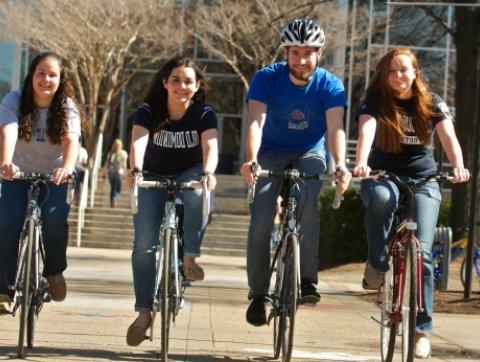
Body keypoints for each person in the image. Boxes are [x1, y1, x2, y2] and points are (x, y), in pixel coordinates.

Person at [353, 48, 470, 359]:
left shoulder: (431, 102)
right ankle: (377, 263)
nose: (397, 77)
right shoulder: (376, 100)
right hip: (382, 174)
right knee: (381, 198)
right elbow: (367, 129)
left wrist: (458, 165)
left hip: (423, 179)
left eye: (403, 70)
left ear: (415, 72)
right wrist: (361, 162)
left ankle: (421, 329)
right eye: (391, 71)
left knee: (425, 254)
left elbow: (448, 136)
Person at [240, 18, 351, 327]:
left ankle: (307, 281)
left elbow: (335, 128)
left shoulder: (330, 84)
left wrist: (340, 163)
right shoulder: (266, 78)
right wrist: (251, 160)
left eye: (308, 53)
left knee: (307, 209)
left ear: (319, 53)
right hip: (270, 153)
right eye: (295, 53)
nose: (302, 60)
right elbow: (255, 123)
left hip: (310, 153)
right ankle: (259, 294)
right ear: (286, 52)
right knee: (261, 219)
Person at [125, 56, 218, 346]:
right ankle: (143, 314)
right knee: (143, 245)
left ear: (197, 85)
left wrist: (208, 172)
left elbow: (211, 145)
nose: (182, 86)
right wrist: (135, 169)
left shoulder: (203, 113)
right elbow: (138, 141)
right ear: (165, 83)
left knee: (199, 192)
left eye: (188, 81)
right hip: (151, 173)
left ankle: (189, 256)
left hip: (189, 171)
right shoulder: (148, 110)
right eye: (175, 79)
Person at [0, 52, 84, 313]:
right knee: (8, 219)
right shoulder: (15, 99)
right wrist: (6, 163)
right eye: (40, 73)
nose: (46, 79)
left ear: (60, 80)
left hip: (54, 173)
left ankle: (54, 271)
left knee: (55, 219)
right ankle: (4, 288)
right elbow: (9, 130)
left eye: (52, 75)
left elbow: (71, 139)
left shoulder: (67, 106)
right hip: (18, 171)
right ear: (31, 75)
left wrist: (67, 167)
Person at [104, 138, 128, 208]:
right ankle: (115, 200)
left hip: (110, 173)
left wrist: (104, 172)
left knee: (112, 188)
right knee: (117, 188)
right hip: (119, 172)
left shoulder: (111, 153)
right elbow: (124, 164)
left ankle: (111, 201)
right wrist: (125, 173)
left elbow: (106, 164)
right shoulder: (123, 153)